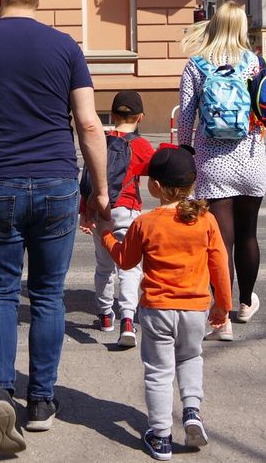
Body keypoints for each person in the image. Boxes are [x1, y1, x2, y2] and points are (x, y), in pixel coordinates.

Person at [0, 0, 110, 455]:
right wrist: (98, 189)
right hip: (58, 183)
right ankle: (41, 402)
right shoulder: (66, 48)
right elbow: (89, 124)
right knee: (48, 296)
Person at [97, 146, 231, 460]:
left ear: (154, 186)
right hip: (196, 309)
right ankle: (192, 412)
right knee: (190, 358)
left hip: (157, 310)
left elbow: (126, 262)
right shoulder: (206, 220)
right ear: (192, 184)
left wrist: (106, 236)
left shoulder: (146, 223)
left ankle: (160, 436)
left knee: (158, 372)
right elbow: (220, 266)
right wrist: (222, 306)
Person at [176, 2, 266, 342]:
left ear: (213, 25)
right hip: (251, 159)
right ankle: (244, 304)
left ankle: (221, 318)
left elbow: (185, 117)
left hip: (212, 163)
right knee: (248, 236)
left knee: (220, 244)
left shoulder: (196, 65)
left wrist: (187, 152)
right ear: (241, 26)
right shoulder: (254, 64)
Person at [89, 90, 154, 348]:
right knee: (128, 267)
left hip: (101, 210)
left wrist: (86, 212)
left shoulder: (100, 142)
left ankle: (106, 316)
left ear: (113, 115)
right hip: (127, 210)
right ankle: (128, 319)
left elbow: (88, 179)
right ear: (141, 118)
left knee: (103, 266)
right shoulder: (140, 145)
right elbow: (154, 169)